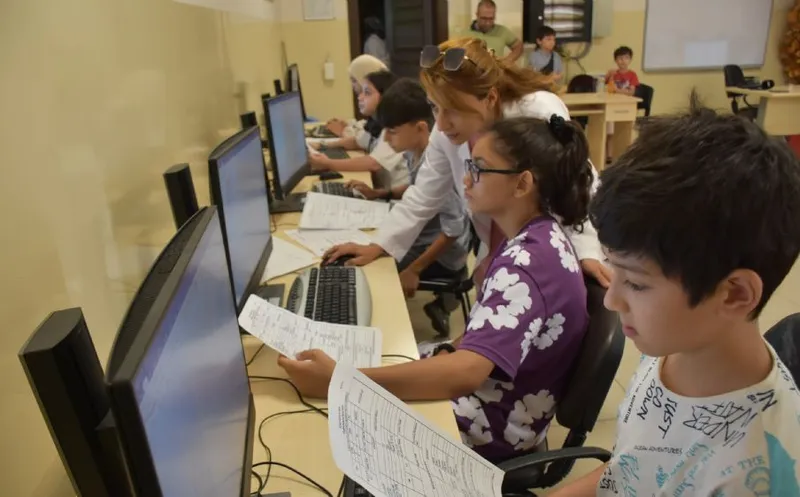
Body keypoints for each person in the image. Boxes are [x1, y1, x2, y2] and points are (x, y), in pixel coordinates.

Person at [279, 115, 593, 463]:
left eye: (479, 169)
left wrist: (340, 381)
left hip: (490, 427)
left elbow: (465, 373)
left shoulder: (525, 262)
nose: (466, 178)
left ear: (522, 185)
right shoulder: (539, 236)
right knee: (380, 358)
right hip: (503, 407)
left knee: (319, 425)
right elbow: (484, 337)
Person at [552, 96, 800, 496]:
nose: (611, 300)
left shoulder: (752, 476)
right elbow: (631, 470)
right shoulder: (671, 348)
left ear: (734, 294)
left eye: (635, 282)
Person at [324, 37, 612, 289]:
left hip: (554, 242)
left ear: (490, 97)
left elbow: (578, 181)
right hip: (504, 244)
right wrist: (379, 245)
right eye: (435, 107)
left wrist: (585, 250)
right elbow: (423, 195)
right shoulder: (446, 131)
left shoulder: (535, 111)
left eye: (454, 110)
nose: (441, 122)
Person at [345, 78, 470, 336]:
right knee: (367, 249)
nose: (387, 138)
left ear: (421, 128)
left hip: (442, 254)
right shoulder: (413, 153)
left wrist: (415, 269)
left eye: (392, 131)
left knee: (372, 273)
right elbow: (416, 190)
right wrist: (382, 192)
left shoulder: (436, 166)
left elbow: (453, 230)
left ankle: (381, 338)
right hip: (423, 239)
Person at [310, 71, 408, 190]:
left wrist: (328, 163)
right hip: (383, 191)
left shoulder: (393, 127)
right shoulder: (375, 123)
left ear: (384, 96)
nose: (360, 97)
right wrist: (321, 145)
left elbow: (373, 163)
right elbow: (356, 141)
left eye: (367, 93)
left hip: (397, 198)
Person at [325, 55, 387, 137]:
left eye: (354, 80)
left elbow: (370, 138)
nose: (352, 86)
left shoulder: (384, 106)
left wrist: (344, 131)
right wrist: (350, 125)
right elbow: (369, 125)